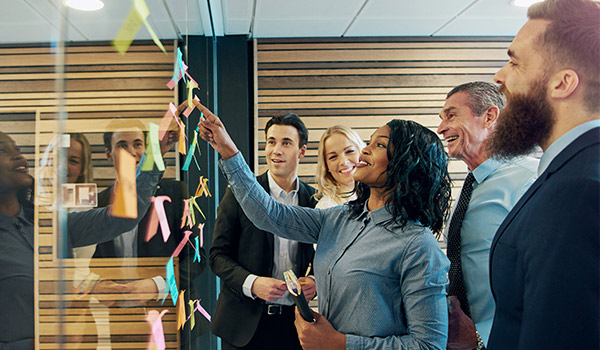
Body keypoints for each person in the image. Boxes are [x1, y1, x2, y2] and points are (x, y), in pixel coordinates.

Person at [198, 100, 452, 350]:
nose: (364, 150)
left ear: (406, 165)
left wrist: (342, 344)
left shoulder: (418, 245)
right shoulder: (338, 218)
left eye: (379, 145)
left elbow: (429, 344)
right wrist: (228, 151)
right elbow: (269, 215)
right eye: (369, 142)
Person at [486, 0, 600, 349]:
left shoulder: (578, 192)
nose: (499, 76)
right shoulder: (574, 169)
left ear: (563, 83)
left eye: (515, 62)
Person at [0, 130, 163, 349]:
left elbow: (121, 219)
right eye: (3, 150)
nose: (20, 156)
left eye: (18, 149)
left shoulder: (48, 224)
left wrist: (155, 151)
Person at [437, 81, 538, 349]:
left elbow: (546, 277)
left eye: (451, 115)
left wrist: (481, 335)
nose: (441, 128)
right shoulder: (469, 187)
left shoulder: (531, 180)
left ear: (490, 116)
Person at [92, 119, 207, 346]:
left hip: (171, 319)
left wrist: (156, 285)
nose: (132, 152)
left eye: (138, 144)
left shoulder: (176, 192)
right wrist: (99, 284)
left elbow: (197, 259)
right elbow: (98, 260)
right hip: (123, 322)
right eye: (122, 145)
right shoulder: (101, 201)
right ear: (108, 154)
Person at [209, 113, 317, 350]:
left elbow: (328, 257)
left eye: (286, 143)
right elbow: (217, 257)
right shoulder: (240, 193)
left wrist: (315, 281)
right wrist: (253, 283)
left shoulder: (315, 200)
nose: (276, 150)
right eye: (271, 142)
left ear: (302, 151)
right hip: (243, 325)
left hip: (296, 325)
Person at [314, 125, 365, 209]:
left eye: (349, 151)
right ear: (326, 166)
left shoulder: (382, 195)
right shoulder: (326, 208)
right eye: (333, 157)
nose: (344, 162)